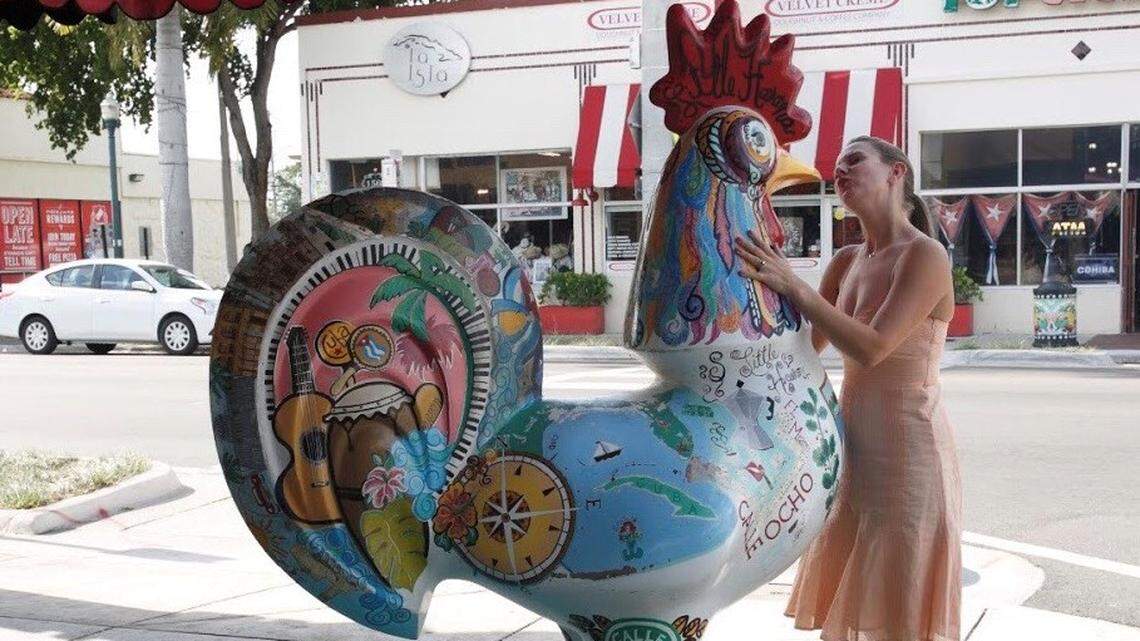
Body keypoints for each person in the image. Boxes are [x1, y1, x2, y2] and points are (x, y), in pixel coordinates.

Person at [734, 135, 963, 641]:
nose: (841, 172)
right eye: (836, 167)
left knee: (898, 590)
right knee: (853, 591)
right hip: (849, 443)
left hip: (908, 450)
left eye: (854, 161)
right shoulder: (846, 260)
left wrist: (793, 285)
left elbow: (873, 347)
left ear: (896, 172)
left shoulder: (924, 255)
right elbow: (806, 347)